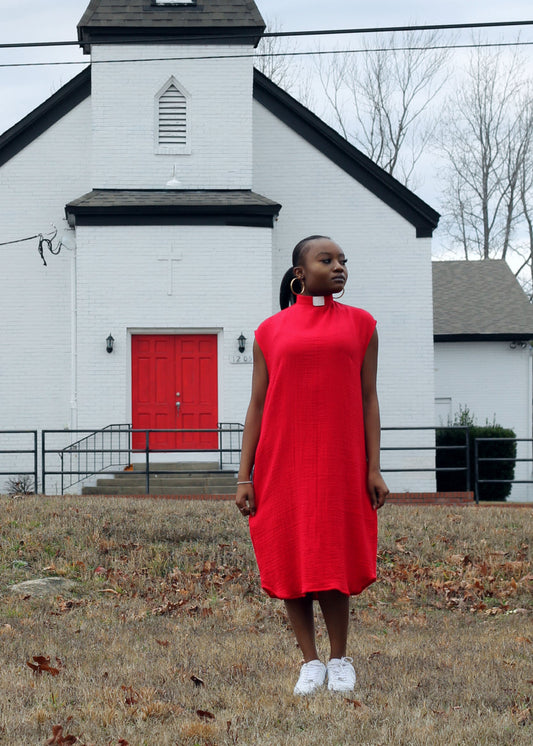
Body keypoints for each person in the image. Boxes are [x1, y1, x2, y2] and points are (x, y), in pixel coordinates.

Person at [235, 235, 389, 696]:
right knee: (290, 555)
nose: (339, 266)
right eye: (327, 260)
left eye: (343, 259)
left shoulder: (362, 325)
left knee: (333, 556)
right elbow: (257, 404)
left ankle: (340, 658)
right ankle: (310, 662)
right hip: (282, 460)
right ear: (300, 274)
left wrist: (373, 466)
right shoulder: (269, 331)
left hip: (341, 460)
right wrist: (245, 475)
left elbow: (369, 398)